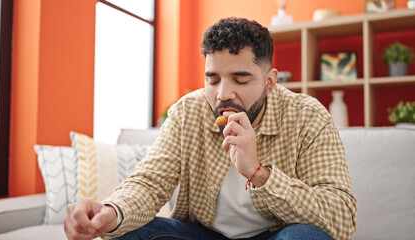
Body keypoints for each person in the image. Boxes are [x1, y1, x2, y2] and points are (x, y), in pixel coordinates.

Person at [64, 17, 357, 240]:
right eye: (213, 79)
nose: (222, 94)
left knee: (307, 237)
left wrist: (258, 172)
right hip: (202, 234)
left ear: (270, 81)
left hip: (276, 234)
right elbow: (149, 182)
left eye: (240, 80)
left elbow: (341, 216)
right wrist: (111, 212)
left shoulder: (308, 116)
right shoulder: (187, 112)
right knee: (129, 230)